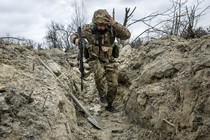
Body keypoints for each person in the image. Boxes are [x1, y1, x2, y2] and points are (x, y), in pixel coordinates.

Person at [70, 9, 131, 113]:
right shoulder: (88, 29)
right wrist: (76, 40)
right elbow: (73, 35)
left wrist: (115, 24)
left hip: (109, 60)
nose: (101, 27)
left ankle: (109, 104)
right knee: (99, 74)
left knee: (114, 83)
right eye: (99, 25)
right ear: (95, 22)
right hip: (95, 58)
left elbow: (127, 35)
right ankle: (102, 96)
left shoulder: (112, 28)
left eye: (104, 25)